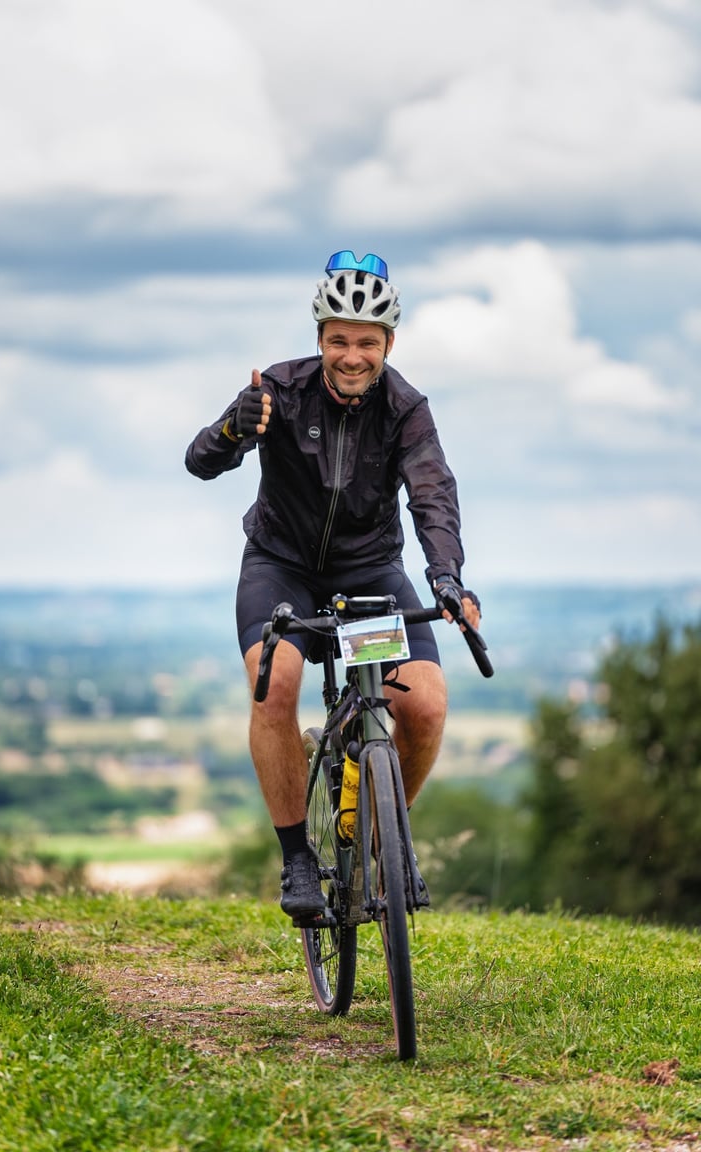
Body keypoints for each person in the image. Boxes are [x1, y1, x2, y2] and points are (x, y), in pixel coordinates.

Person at [185, 250, 481, 922]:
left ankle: (384, 838)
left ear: (388, 346)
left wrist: (446, 575)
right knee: (275, 684)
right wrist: (234, 427)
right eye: (339, 340)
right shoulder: (280, 391)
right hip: (281, 566)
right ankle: (296, 858)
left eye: (367, 343)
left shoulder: (406, 409)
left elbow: (432, 492)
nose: (352, 356)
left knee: (426, 709)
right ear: (320, 338)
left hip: (368, 574)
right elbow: (201, 460)